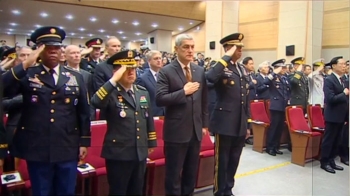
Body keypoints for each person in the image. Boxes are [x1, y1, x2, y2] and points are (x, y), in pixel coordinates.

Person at [2, 26, 91, 195]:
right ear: (39, 51)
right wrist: (25, 64)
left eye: (56, 47)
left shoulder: (75, 76)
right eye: (47, 47)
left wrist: (84, 141)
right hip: (37, 146)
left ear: (61, 51)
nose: (52, 51)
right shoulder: (28, 74)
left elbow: (83, 112)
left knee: (66, 190)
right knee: (41, 191)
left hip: (67, 144)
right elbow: (3, 88)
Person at [91, 50, 157, 195]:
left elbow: (148, 118)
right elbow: (95, 101)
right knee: (119, 191)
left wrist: (151, 142)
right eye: (126, 69)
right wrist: (113, 81)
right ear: (116, 72)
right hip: (118, 153)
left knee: (137, 190)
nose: (131, 72)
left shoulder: (142, 92)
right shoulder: (111, 92)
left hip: (139, 151)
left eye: (133, 68)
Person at [156, 34, 208, 196]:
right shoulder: (166, 71)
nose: (190, 51)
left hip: (195, 130)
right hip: (176, 132)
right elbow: (160, 99)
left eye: (192, 47)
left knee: (190, 174)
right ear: (176, 49)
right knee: (173, 175)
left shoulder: (199, 70)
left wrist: (205, 124)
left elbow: (204, 99)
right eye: (186, 47)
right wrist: (183, 92)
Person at [206, 33, 250, 196]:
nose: (240, 51)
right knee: (222, 161)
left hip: (239, 122)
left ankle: (228, 189)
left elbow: (246, 98)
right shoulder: (220, 66)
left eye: (240, 48)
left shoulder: (241, 68)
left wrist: (248, 124)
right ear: (228, 48)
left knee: (234, 159)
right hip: (224, 122)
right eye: (236, 48)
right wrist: (226, 57)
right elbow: (209, 78)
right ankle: (219, 191)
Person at [320, 56, 348, 173]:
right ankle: (324, 161)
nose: (344, 66)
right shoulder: (329, 80)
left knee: (337, 140)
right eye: (341, 64)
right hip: (332, 116)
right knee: (329, 140)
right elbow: (330, 99)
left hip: (342, 116)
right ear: (334, 66)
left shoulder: (343, 80)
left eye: (345, 64)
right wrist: (344, 93)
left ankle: (332, 160)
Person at [263, 59, 290, 156]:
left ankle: (276, 146)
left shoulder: (284, 78)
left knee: (280, 128)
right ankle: (269, 147)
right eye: (282, 68)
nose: (284, 69)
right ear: (277, 68)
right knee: (274, 127)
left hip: (283, 106)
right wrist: (274, 73)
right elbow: (265, 82)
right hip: (276, 106)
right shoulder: (272, 77)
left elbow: (288, 91)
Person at [137, 50, 165, 116]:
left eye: (160, 58)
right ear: (149, 61)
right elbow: (141, 99)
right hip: (152, 114)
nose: (158, 60)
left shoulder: (165, 75)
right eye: (156, 58)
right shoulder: (142, 78)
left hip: (166, 113)